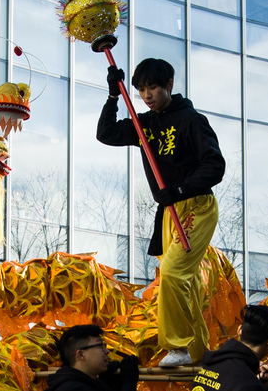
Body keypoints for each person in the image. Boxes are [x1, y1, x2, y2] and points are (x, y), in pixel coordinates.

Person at [96, 58, 225, 367]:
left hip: (196, 205)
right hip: (169, 212)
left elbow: (215, 165)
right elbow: (106, 133)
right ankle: (198, 351)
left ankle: (178, 346)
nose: (147, 95)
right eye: (141, 89)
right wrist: (114, 96)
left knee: (173, 272)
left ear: (169, 84)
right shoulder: (145, 124)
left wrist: (181, 189)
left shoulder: (192, 120)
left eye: (152, 87)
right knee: (186, 281)